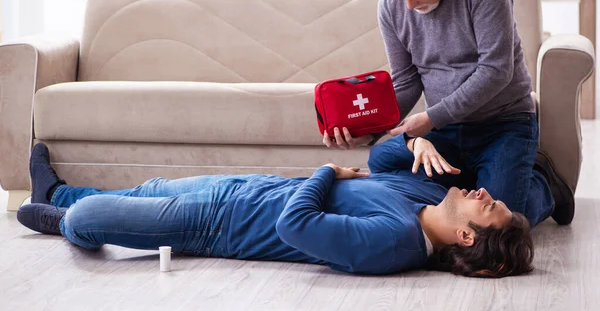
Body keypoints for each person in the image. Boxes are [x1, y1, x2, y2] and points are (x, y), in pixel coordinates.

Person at [323, 0, 573, 226]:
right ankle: (478, 177)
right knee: (386, 165)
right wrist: (367, 129)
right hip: (444, 130)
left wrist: (431, 117)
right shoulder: (391, 5)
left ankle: (543, 185)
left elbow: (496, 70)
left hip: (503, 124)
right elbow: (406, 81)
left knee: (495, 226)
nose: (408, 7)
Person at [18, 143, 533, 278]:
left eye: (492, 209)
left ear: (468, 238)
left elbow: (295, 224)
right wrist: (417, 140)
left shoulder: (394, 243)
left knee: (90, 221)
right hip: (248, 187)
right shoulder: (421, 203)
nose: (485, 193)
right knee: (148, 187)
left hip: (218, 226)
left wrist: (327, 172)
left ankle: (64, 218)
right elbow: (384, 157)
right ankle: (55, 194)